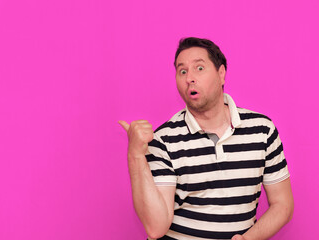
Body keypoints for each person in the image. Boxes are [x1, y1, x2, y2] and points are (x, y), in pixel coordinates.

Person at [119, 37, 294, 240]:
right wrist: (135, 155)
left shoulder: (262, 130)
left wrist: (247, 239)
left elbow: (283, 204)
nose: (189, 78)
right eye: (182, 71)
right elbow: (155, 227)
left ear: (221, 74)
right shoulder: (163, 140)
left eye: (199, 68)